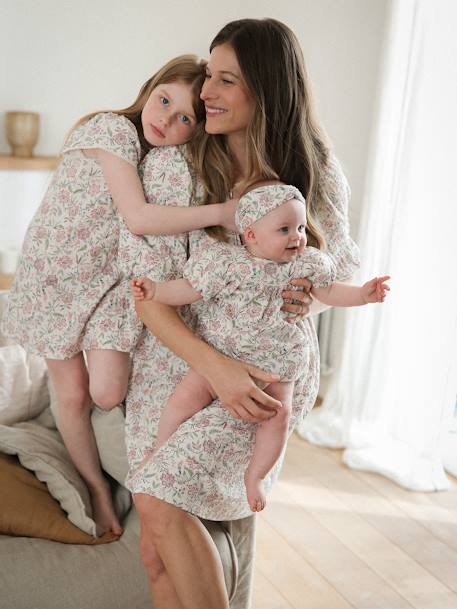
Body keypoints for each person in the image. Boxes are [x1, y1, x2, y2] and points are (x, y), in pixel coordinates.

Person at [124, 18, 361, 609]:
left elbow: (339, 270)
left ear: (267, 91)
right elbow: (150, 294)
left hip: (265, 369)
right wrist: (214, 368)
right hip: (177, 358)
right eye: (209, 74)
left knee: (158, 497)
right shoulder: (177, 167)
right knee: (155, 545)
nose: (206, 92)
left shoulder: (316, 168)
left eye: (226, 80)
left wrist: (306, 288)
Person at [0, 54, 239, 536]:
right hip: (57, 279)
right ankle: (95, 489)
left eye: (184, 118)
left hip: (108, 280)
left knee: (107, 391)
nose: (166, 118)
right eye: (164, 99)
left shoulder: (163, 158)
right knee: (71, 395)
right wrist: (224, 212)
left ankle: (92, 444)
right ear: (149, 89)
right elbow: (138, 216)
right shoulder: (108, 129)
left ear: (197, 129)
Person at [131, 183, 389, 512]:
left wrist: (363, 295)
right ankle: (161, 450)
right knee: (183, 401)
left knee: (278, 417)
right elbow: (188, 290)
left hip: (278, 362)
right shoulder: (228, 264)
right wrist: (154, 291)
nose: (297, 236)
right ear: (251, 235)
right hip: (225, 353)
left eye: (299, 227)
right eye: (284, 229)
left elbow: (330, 293)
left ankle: (256, 476)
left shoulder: (304, 264)